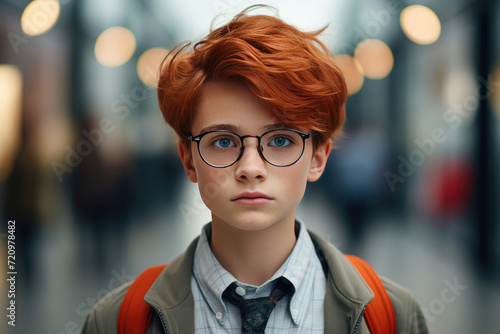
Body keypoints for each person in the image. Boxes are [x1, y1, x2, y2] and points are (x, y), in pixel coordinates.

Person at [81, 6, 428, 334]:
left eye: (280, 141)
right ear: (188, 159)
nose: (250, 168)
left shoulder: (391, 315)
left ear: (319, 158)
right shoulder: (118, 320)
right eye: (222, 141)